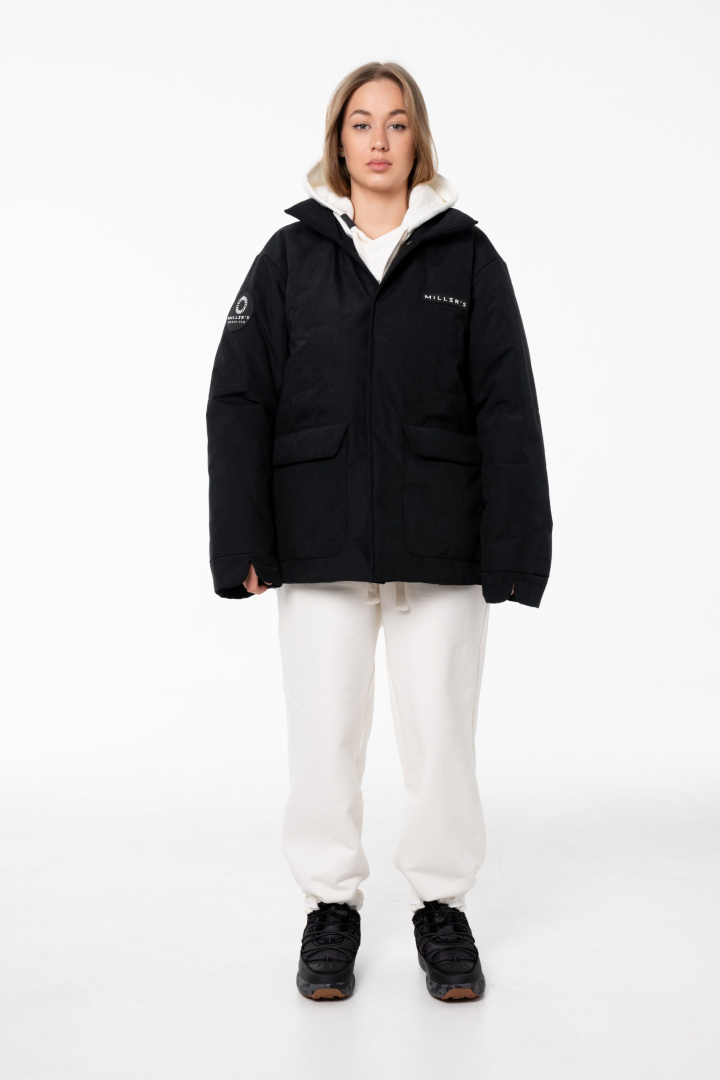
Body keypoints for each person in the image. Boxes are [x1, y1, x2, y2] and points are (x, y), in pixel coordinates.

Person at [206, 61, 553, 1002]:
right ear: (339, 139)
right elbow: (239, 399)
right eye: (361, 123)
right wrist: (241, 540)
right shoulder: (289, 259)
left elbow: (508, 408)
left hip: (441, 544)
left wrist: (516, 549)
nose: (379, 140)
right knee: (325, 736)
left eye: (397, 123)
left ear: (417, 139)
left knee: (441, 736)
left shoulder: (468, 258)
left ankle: (442, 907)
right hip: (317, 539)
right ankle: (331, 907)